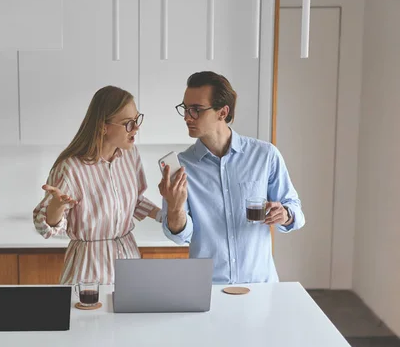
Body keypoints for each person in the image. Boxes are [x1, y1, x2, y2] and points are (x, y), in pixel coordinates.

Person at [159, 71, 305, 284]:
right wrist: (174, 208)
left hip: (260, 286)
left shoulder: (265, 155)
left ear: (222, 112)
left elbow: (296, 210)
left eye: (196, 110)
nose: (187, 116)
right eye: (185, 108)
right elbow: (180, 236)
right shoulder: (181, 166)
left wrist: (285, 214)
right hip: (207, 290)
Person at [33, 85, 161, 285]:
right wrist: (57, 207)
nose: (136, 128)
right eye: (128, 123)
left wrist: (164, 216)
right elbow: (44, 228)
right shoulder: (70, 168)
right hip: (88, 269)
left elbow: (134, 201)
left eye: (137, 120)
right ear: (103, 126)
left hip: (129, 261)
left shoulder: (130, 155)